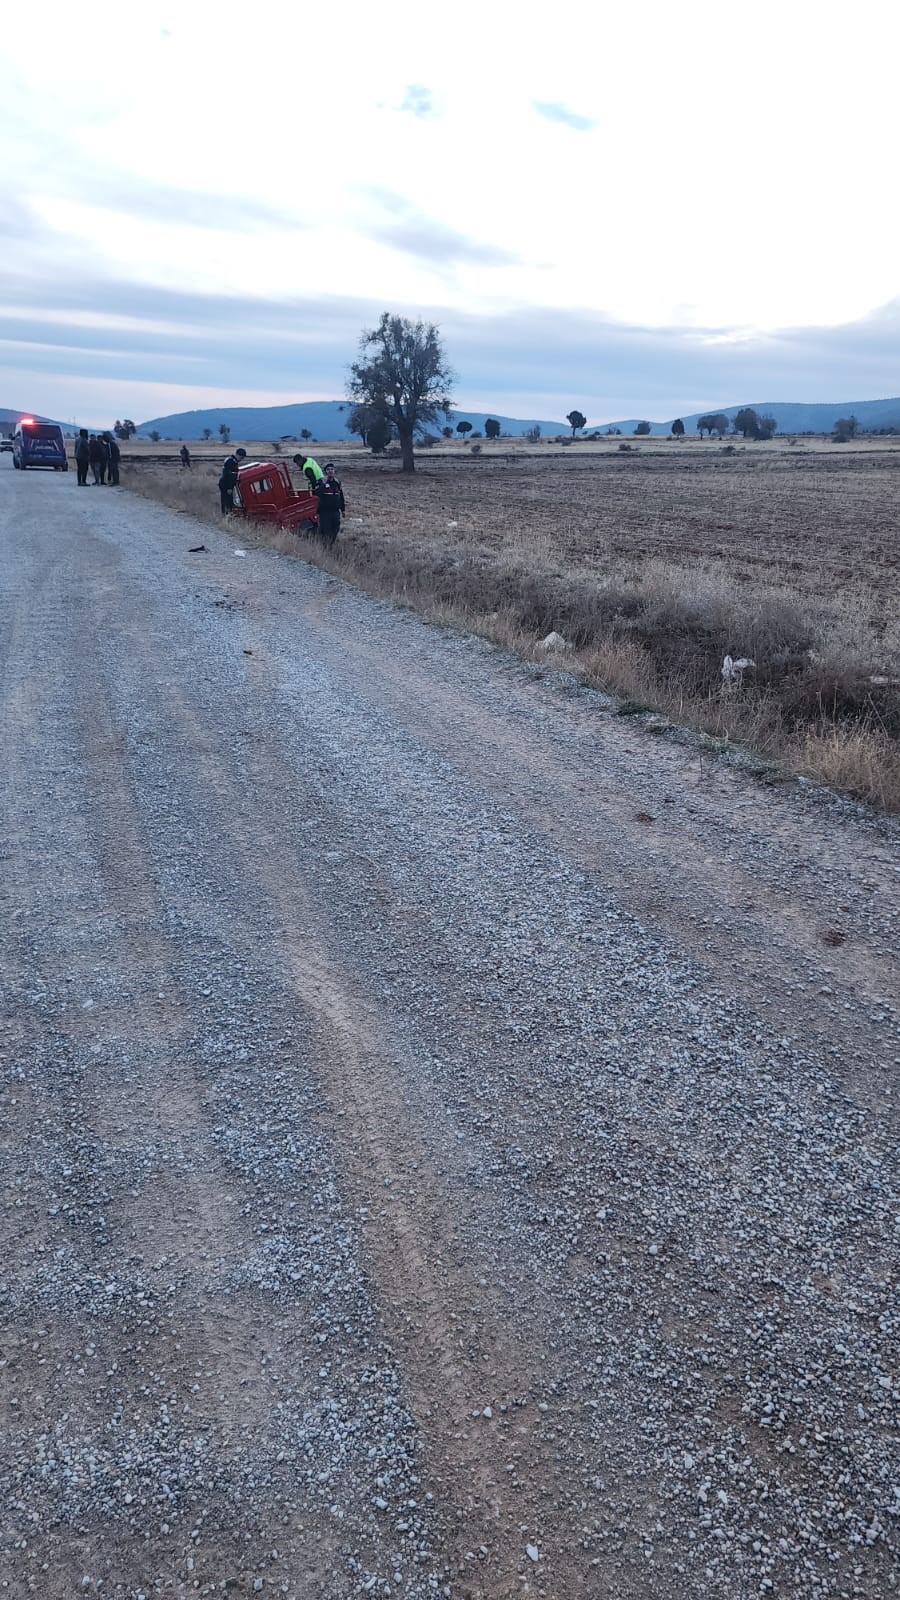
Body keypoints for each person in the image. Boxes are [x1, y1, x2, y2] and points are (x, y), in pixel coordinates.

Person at [314, 461, 345, 548]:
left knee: (336, 529)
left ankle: (330, 545)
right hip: (325, 512)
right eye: (328, 469)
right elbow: (316, 493)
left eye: (332, 469)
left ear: (334, 471)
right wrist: (323, 484)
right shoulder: (321, 481)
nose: (330, 471)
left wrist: (343, 509)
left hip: (335, 511)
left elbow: (341, 496)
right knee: (326, 531)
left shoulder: (337, 482)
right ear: (325, 472)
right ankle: (325, 548)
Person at [218, 447, 247, 514]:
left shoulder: (231, 460)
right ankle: (226, 515)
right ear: (238, 455)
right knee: (227, 501)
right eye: (241, 457)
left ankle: (227, 514)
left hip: (224, 483)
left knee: (227, 500)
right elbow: (229, 475)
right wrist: (229, 487)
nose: (241, 460)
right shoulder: (231, 462)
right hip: (226, 484)